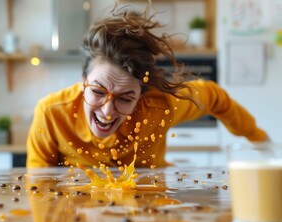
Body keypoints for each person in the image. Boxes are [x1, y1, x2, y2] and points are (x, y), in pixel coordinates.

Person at [26, 9, 269, 169]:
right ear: (83, 80)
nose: (108, 111)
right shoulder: (51, 113)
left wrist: (260, 140)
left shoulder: (160, 106)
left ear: (140, 96)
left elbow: (215, 97)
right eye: (98, 92)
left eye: (125, 98)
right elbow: (37, 186)